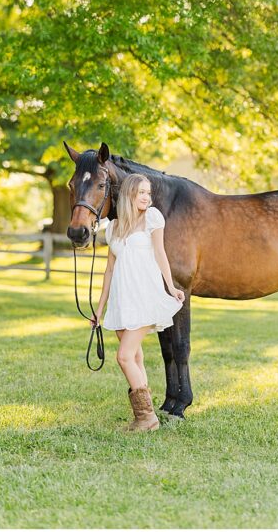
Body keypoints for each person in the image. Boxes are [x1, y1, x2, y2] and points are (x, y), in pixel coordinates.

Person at [91, 173, 186, 432]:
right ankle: (145, 416)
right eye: (141, 192)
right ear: (129, 194)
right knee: (135, 355)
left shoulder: (152, 218)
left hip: (144, 296)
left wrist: (170, 286)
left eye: (148, 193)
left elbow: (160, 253)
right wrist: (99, 310)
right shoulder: (113, 228)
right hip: (122, 299)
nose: (146, 197)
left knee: (123, 357)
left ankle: (147, 418)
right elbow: (109, 272)